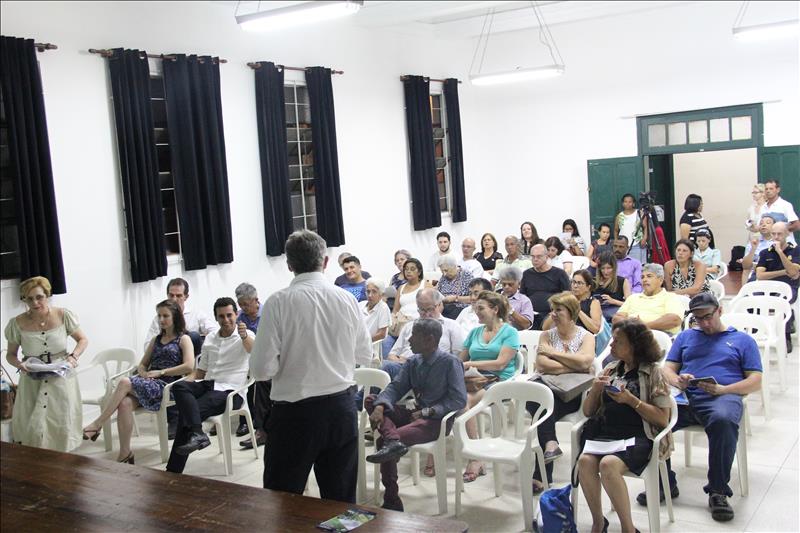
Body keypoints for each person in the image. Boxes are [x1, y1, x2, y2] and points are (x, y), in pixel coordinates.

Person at [250, 230, 373, 503]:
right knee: (340, 501)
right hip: (341, 409)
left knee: (283, 501)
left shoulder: (278, 302)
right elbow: (365, 353)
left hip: (295, 414)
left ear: (289, 264)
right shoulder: (347, 299)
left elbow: (260, 371)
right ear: (326, 262)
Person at [640, 293, 762, 522]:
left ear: (720, 311)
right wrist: (678, 380)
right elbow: (668, 369)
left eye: (708, 317)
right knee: (649, 416)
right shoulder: (686, 336)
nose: (704, 323)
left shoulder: (742, 341)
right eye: (698, 319)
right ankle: (664, 481)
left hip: (722, 396)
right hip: (687, 396)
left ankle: (717, 491)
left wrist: (724, 390)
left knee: (723, 420)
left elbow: (755, 381)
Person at [579, 319, 672, 533]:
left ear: (633, 346)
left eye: (617, 342)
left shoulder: (654, 373)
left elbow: (662, 419)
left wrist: (632, 401)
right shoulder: (611, 369)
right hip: (607, 435)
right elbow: (588, 412)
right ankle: (598, 522)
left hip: (640, 436)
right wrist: (595, 389)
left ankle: (628, 528)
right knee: (585, 461)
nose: (611, 346)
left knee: (608, 465)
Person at [364, 319, 467, 511]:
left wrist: (427, 411)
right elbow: (395, 387)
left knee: (383, 444)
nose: (409, 340)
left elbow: (458, 400)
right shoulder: (413, 361)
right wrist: (380, 406)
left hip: (436, 421)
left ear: (429, 340)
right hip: (414, 413)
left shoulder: (450, 363)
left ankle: (392, 498)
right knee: (371, 399)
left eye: (414, 336)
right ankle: (393, 438)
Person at [83, 299, 194, 463]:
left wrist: (161, 372)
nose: (161, 320)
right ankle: (125, 453)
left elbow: (189, 366)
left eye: (165, 316)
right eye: (159, 316)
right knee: (125, 403)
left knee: (124, 382)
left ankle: (97, 424)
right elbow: (142, 363)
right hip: (148, 382)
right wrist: (143, 371)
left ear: (175, 317)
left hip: (166, 386)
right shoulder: (156, 340)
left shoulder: (183, 339)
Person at [166, 297, 254, 473]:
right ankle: (198, 433)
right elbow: (200, 372)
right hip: (208, 384)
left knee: (187, 414)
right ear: (216, 318)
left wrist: (244, 336)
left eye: (230, 315)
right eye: (221, 316)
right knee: (179, 387)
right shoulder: (211, 338)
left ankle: (174, 469)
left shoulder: (246, 335)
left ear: (236, 315)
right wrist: (184, 382)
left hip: (231, 391)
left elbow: (253, 350)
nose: (226, 320)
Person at [4, 276, 88, 452]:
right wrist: (20, 365)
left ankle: (64, 466)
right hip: (32, 378)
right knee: (34, 426)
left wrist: (73, 357)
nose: (35, 302)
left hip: (61, 377)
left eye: (39, 297)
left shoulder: (63, 315)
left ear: (47, 295)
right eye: (29, 299)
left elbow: (82, 340)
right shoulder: (17, 323)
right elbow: (11, 355)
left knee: (60, 421)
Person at [527, 291, 595, 491]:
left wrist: (553, 354)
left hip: (572, 394)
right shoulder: (546, 335)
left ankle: (542, 472)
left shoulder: (586, 336)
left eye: (558, 310)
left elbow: (586, 361)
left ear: (572, 312)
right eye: (552, 310)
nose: (553, 315)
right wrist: (575, 365)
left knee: (541, 410)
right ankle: (550, 445)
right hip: (547, 389)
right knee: (540, 402)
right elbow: (542, 365)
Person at [459, 291, 520, 482]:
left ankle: (475, 457)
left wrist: (472, 365)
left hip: (498, 381)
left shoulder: (510, 332)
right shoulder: (475, 332)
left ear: (495, 309)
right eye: (475, 308)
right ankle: (437, 452)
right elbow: (461, 360)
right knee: (452, 397)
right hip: (474, 379)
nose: (477, 312)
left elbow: (501, 363)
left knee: (463, 402)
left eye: (481, 308)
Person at [383, 289, 467, 380]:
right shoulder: (409, 326)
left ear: (439, 305)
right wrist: (406, 362)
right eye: (422, 310)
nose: (427, 314)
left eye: (430, 309)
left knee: (386, 367)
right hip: (404, 367)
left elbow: (458, 358)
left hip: (432, 370)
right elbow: (391, 355)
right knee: (381, 367)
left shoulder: (452, 326)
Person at [755, 221, 799, 353]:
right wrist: (783, 272)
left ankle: (786, 336)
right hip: (768, 288)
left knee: (781, 302)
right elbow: (760, 275)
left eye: (779, 234)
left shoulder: (796, 250)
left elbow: (793, 272)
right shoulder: (765, 253)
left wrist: (780, 253)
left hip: (789, 287)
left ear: (787, 234)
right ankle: (756, 332)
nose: (776, 237)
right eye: (773, 234)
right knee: (752, 300)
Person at [144, 278, 218, 354]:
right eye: (171, 295)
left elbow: (215, 333)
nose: (174, 299)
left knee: (193, 336)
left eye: (178, 296)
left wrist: (201, 340)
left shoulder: (196, 315)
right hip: (167, 355)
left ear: (186, 297)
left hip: (191, 357)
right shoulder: (159, 318)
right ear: (167, 295)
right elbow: (147, 346)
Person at [613, 263, 684, 335]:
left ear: (660, 280)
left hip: (660, 336)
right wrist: (632, 326)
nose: (644, 280)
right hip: (631, 334)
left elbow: (674, 320)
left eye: (649, 276)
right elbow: (616, 319)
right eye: (642, 277)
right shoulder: (633, 298)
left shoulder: (671, 297)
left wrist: (642, 327)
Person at [234, 282, 265, 444]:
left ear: (256, 300)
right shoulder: (239, 317)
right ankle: (245, 420)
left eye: (247, 304)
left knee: (258, 380)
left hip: (266, 357)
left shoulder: (268, 313)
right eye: (241, 305)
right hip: (246, 357)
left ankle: (258, 426)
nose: (244, 308)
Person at [520, 244, 571, 330]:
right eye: (533, 257)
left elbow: (568, 297)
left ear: (546, 257)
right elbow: (522, 297)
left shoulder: (559, 274)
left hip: (553, 314)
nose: (535, 260)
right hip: (531, 314)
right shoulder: (526, 274)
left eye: (539, 256)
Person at [384, 258, 424, 356]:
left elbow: (435, 306)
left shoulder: (425, 285)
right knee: (385, 342)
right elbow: (395, 310)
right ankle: (385, 367)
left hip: (416, 324)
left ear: (419, 272)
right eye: (406, 269)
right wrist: (392, 322)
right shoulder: (401, 288)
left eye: (412, 269)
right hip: (399, 324)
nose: (408, 271)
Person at [543, 270, 602, 336]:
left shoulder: (593, 302)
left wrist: (575, 307)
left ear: (588, 287)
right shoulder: (565, 299)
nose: (575, 286)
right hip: (562, 335)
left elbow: (595, 329)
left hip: (583, 338)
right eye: (573, 282)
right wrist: (555, 312)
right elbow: (545, 328)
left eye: (579, 283)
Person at [741, 212, 782, 281]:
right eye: (761, 223)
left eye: (768, 223)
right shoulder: (753, 242)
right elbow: (745, 266)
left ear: (775, 226)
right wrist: (753, 249)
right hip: (755, 274)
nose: (764, 225)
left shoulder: (780, 242)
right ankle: (746, 291)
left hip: (773, 273)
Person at [758, 179, 799, 243]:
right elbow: (759, 226)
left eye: (771, 189)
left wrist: (779, 230)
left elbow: (796, 225)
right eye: (766, 189)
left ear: (778, 190)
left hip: (786, 245)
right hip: (768, 246)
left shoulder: (785, 205)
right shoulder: (763, 207)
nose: (768, 191)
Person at [594, 252, 631, 321]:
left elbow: (629, 304)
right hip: (596, 313)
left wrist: (613, 301)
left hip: (613, 314)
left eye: (609, 268)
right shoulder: (594, 281)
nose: (605, 271)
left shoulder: (622, 281)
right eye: (603, 268)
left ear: (614, 267)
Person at [437, 255, 474, 320]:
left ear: (454, 266)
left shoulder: (466, 275)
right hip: (443, 306)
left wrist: (455, 298)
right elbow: (438, 291)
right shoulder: (444, 277)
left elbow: (473, 298)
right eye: (442, 271)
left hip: (460, 307)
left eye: (446, 270)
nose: (444, 274)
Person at [614, 194, 648, 265]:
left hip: (637, 245)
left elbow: (645, 227)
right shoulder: (619, 216)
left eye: (630, 202)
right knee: (625, 265)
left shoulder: (639, 213)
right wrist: (616, 242)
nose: (627, 204)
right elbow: (616, 230)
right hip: (623, 246)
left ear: (633, 203)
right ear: (623, 203)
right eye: (625, 202)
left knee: (639, 266)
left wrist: (644, 238)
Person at [498, 266, 534, 331]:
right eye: (504, 284)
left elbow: (526, 324)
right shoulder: (496, 297)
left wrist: (511, 310)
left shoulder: (524, 300)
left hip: (515, 334)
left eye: (510, 284)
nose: (506, 287)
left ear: (519, 284)